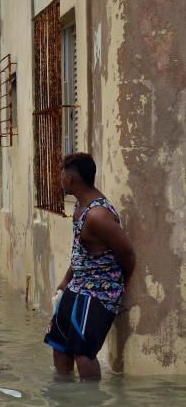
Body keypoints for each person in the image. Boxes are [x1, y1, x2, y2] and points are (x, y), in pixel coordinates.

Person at [45, 153, 136, 380]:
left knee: (83, 353)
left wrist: (120, 283)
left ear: (70, 179)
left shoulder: (98, 215)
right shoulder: (80, 207)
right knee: (59, 343)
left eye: (61, 175)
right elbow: (82, 251)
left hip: (98, 290)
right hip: (78, 285)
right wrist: (67, 279)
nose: (59, 179)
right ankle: (64, 399)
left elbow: (126, 252)